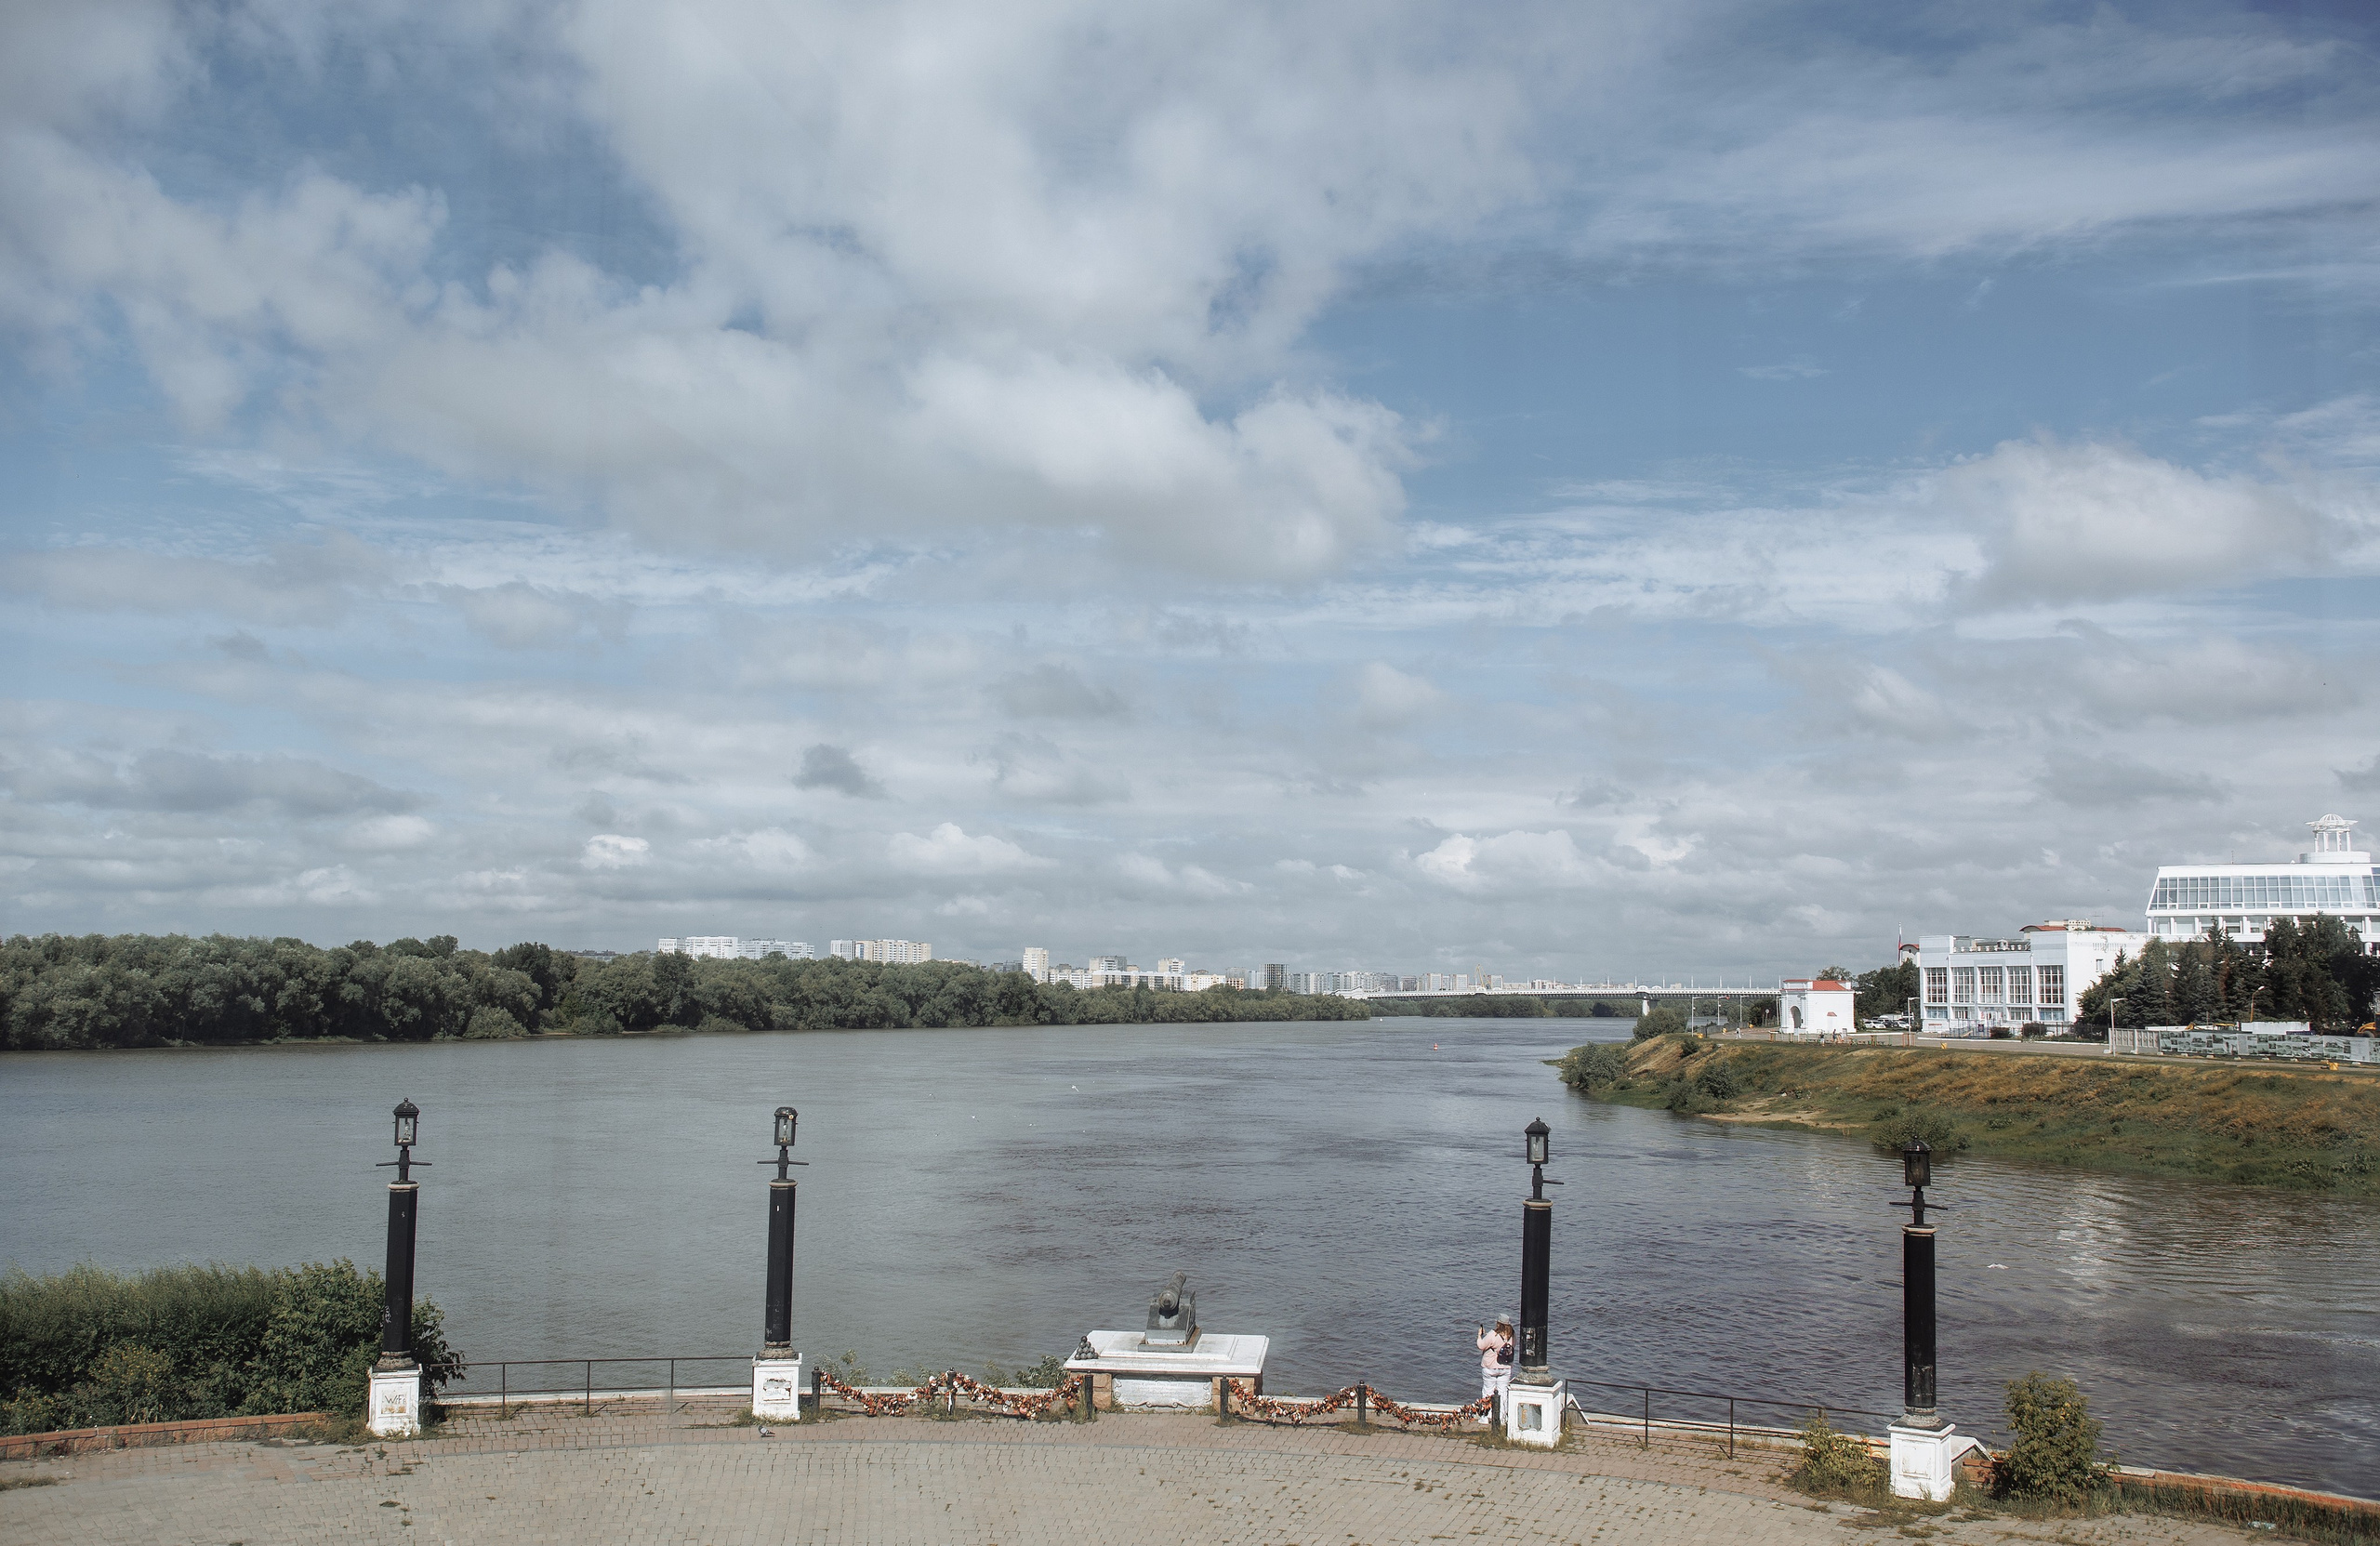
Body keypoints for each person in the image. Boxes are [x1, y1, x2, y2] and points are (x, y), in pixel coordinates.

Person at [1476, 1314, 1515, 1408]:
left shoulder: (1493, 1334)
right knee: (1503, 1392)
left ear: (1498, 1323)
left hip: (1490, 1367)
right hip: (1505, 1367)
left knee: (1488, 1391)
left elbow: (1481, 1345)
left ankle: (1487, 1414)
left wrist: (1479, 1336)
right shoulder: (1512, 1335)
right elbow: (1512, 1345)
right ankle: (1502, 1414)